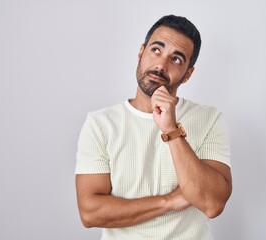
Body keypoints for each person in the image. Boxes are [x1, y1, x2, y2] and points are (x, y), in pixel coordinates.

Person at [75, 14, 232, 239]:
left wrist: (171, 130)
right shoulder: (101, 124)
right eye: (156, 50)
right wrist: (169, 201)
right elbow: (90, 212)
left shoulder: (209, 119)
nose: (161, 65)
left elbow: (212, 203)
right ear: (141, 52)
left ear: (188, 74)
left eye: (176, 59)